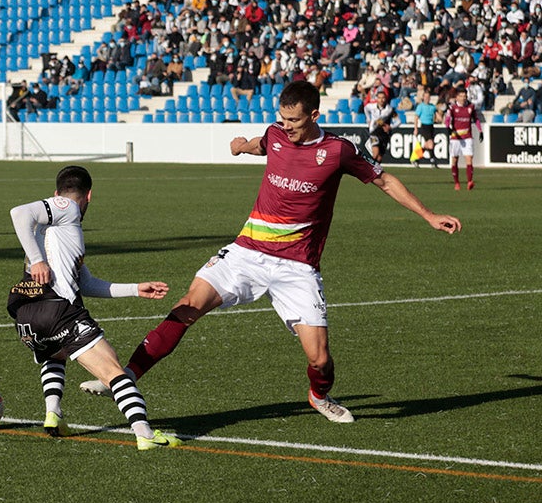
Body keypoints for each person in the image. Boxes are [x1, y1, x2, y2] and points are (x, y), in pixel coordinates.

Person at [80, 81, 462, 423]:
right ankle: (124, 377)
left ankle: (319, 396)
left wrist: (428, 215)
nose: (287, 126)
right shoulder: (277, 134)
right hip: (246, 252)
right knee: (188, 305)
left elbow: (384, 180)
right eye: (282, 119)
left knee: (320, 359)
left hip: (297, 267)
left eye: (294, 120)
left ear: (314, 115)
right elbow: (261, 143)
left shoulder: (338, 150)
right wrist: (239, 147)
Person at [7, 165, 181, 451]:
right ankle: (145, 433)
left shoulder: (59, 234)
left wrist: (136, 289)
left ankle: (54, 413)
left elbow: (86, 284)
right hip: (59, 310)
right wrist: (37, 260)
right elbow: (19, 212)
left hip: (29, 317)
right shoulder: (69, 209)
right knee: (114, 370)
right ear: (89, 195)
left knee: (56, 352)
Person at [443, 87, 483, 191]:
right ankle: (456, 183)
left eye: (464, 96)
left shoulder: (470, 107)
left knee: (469, 158)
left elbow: (476, 119)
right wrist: (447, 128)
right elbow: (447, 119)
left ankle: (470, 181)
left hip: (467, 137)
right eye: (461, 96)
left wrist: (480, 131)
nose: (463, 98)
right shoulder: (452, 108)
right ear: (456, 97)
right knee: (455, 160)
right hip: (455, 137)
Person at [412, 88, 438, 167]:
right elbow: (416, 117)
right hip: (424, 126)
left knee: (427, 145)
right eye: (425, 97)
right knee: (430, 145)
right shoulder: (420, 106)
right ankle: (432, 160)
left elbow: (436, 115)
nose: (427, 98)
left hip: (431, 126)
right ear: (423, 98)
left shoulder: (432, 107)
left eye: (428, 97)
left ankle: (416, 159)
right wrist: (415, 128)